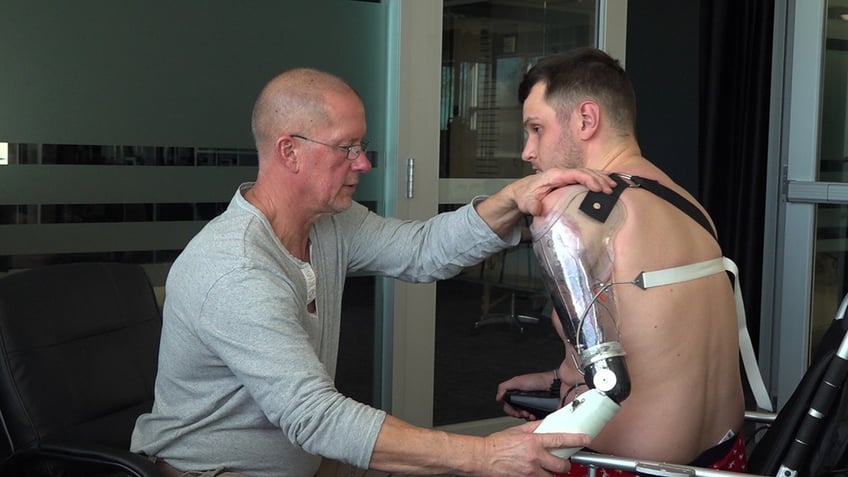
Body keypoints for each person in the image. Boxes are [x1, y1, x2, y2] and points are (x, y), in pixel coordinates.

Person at [130, 67, 618, 477]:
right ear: (289, 151)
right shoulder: (234, 268)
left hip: (302, 461)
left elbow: (420, 249)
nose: (362, 163)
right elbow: (314, 415)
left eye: (361, 145)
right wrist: (485, 453)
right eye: (346, 148)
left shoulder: (330, 222)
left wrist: (511, 200)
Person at [495, 47, 748, 475]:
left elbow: (611, 381)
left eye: (536, 129)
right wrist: (560, 377)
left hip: (627, 467)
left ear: (586, 119)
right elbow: (660, 344)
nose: (527, 151)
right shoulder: (688, 205)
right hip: (725, 458)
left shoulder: (571, 209)